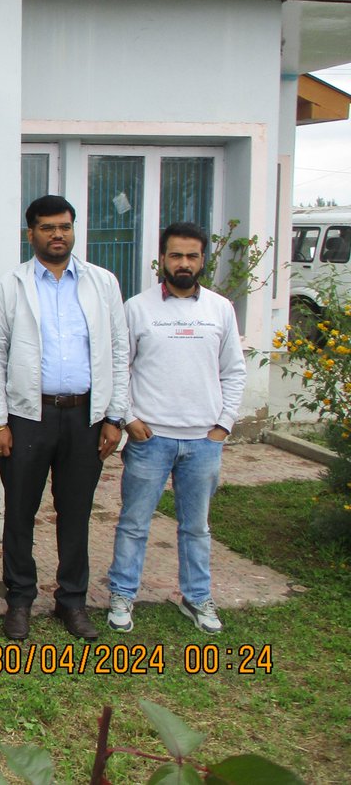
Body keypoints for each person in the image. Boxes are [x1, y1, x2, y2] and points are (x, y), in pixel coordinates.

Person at [0, 195, 129, 642]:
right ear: (32, 234)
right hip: (28, 416)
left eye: (64, 226)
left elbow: (118, 352)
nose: (57, 234)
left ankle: (72, 601)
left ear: (74, 229)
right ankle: (20, 600)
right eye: (47, 227)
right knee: (20, 512)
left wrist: (115, 415)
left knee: (76, 513)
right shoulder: (12, 285)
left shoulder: (102, 283)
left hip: (86, 416)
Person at [107, 222, 246, 636]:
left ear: (202, 260)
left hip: (204, 440)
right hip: (151, 439)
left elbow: (234, 372)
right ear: (161, 259)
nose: (183, 263)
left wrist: (223, 425)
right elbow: (120, 367)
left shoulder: (220, 309)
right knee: (134, 522)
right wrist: (129, 417)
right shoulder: (138, 308)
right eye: (175, 255)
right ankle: (122, 594)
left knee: (197, 526)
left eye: (191, 256)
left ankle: (197, 596)